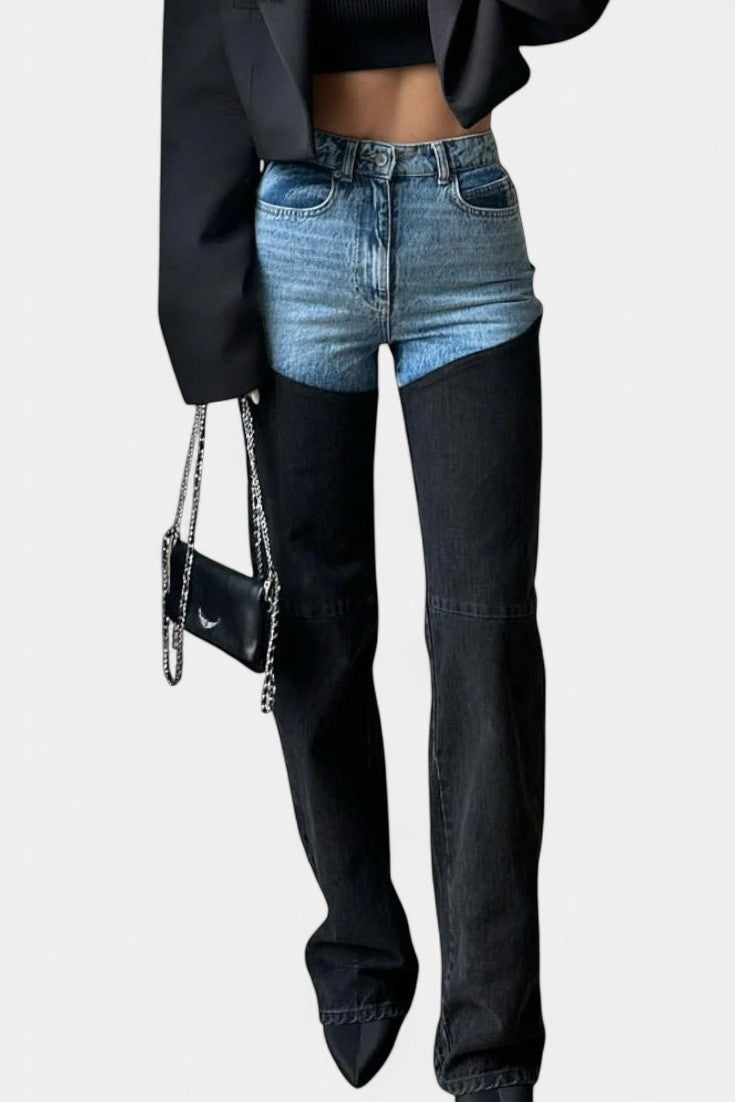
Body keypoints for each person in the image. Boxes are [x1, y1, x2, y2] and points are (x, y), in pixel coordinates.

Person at [158, 2, 611, 1098]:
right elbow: (202, 67)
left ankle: (490, 1044)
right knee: (316, 630)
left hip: (465, 215)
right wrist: (204, 318)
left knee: (485, 639)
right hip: (301, 230)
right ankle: (360, 944)